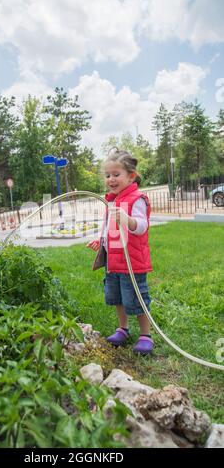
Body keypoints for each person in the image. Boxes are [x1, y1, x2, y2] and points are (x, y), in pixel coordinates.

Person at [87, 147, 153, 355]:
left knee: (137, 297)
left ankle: (145, 335)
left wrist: (128, 220)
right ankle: (123, 329)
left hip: (132, 262)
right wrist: (102, 241)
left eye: (116, 174)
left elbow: (142, 226)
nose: (111, 179)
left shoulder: (137, 199)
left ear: (131, 176)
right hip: (113, 261)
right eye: (107, 175)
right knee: (117, 297)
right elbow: (110, 227)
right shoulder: (111, 200)